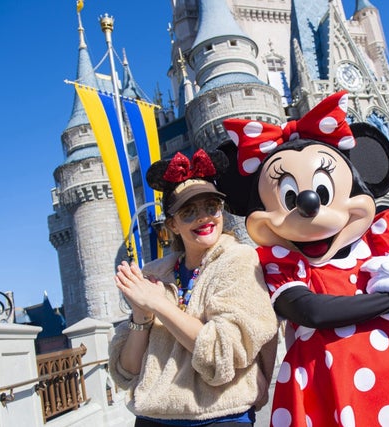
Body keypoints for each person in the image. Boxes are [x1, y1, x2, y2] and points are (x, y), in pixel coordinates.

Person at [221, 91, 389, 426]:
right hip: (327, 377)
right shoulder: (283, 264)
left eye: (322, 193)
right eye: (289, 198)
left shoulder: (373, 242)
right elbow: (312, 311)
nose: (310, 204)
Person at [108, 148, 279, 427]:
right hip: (153, 418)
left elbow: (221, 356)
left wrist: (159, 305)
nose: (204, 217)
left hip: (219, 416)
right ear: (173, 224)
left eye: (211, 207)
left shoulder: (238, 261)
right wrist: (141, 315)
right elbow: (126, 371)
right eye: (189, 212)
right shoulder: (155, 274)